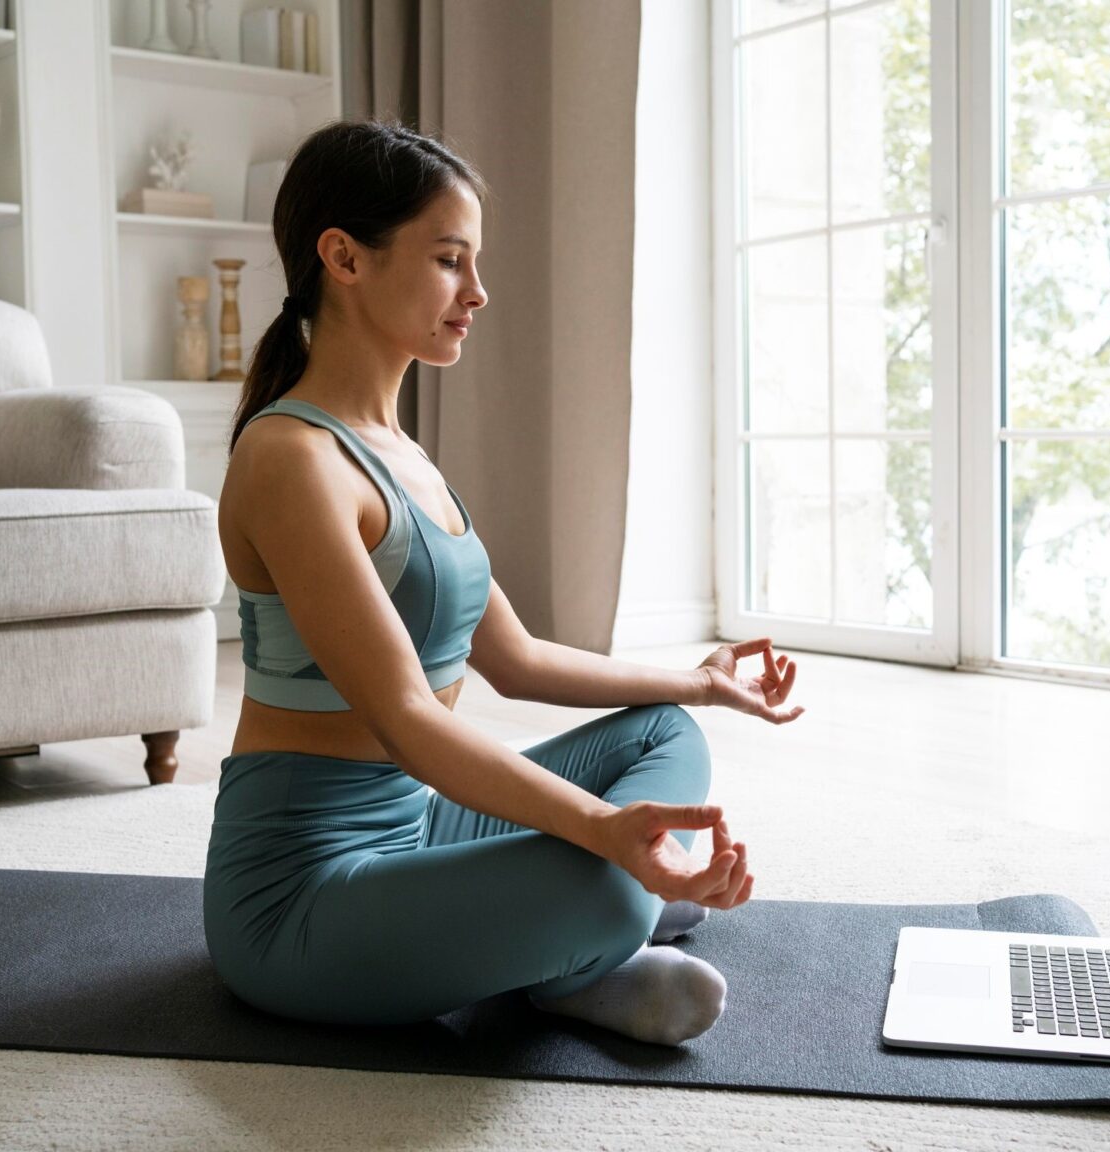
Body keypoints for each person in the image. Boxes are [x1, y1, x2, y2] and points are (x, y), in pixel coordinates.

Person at [204, 117, 804, 1047]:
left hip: (422, 829)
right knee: (608, 876)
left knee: (666, 732)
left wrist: (702, 679)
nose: (478, 292)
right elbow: (409, 717)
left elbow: (516, 661)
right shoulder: (292, 459)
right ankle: (586, 947)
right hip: (302, 896)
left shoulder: (401, 455)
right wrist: (605, 834)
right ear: (344, 257)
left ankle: (576, 941)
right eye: (450, 260)